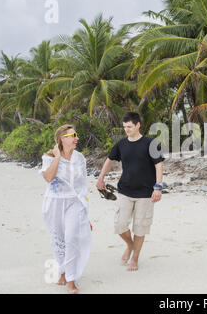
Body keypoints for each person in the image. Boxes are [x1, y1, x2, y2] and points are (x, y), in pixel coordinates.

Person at [97, 112, 164, 271]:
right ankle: (130, 245)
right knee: (120, 224)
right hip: (125, 190)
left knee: (140, 227)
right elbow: (109, 160)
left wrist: (158, 187)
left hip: (146, 193)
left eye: (130, 127)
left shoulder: (151, 143)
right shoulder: (121, 144)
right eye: (125, 127)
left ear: (138, 125)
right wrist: (101, 178)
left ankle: (135, 259)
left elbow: (159, 165)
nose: (126, 129)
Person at [39, 124, 92, 294]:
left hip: (74, 202)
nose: (77, 138)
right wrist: (56, 158)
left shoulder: (80, 158)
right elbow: (48, 177)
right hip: (54, 202)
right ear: (62, 138)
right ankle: (61, 271)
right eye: (73, 135)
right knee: (58, 239)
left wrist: (85, 208)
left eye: (76, 135)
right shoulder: (48, 157)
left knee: (71, 239)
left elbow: (83, 185)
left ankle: (71, 279)